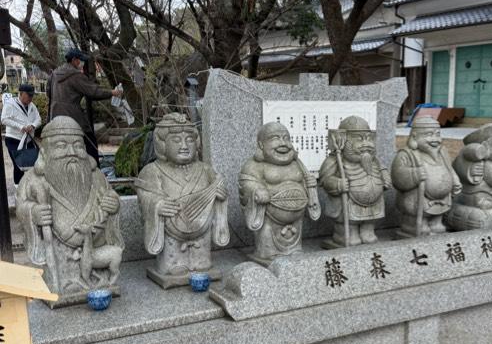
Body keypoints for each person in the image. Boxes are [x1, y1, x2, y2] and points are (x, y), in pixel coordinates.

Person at [16, 116, 123, 300]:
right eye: (61, 146)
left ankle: (98, 278)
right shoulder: (32, 180)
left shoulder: (96, 176)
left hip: (94, 245)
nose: (71, 152)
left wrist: (112, 203)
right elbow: (21, 206)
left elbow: (109, 194)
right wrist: (33, 212)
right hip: (59, 252)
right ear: (45, 153)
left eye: (78, 146)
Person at [135, 113, 229, 288]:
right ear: (162, 144)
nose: (185, 146)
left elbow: (218, 190)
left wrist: (220, 199)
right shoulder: (152, 171)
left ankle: (200, 262)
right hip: (172, 233)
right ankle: (175, 264)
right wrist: (157, 205)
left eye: (190, 140)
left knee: (203, 264)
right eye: (176, 140)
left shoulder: (206, 170)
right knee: (173, 266)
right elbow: (145, 196)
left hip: (201, 229)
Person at [239, 121, 321, 263]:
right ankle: (267, 253)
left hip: (296, 217)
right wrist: (257, 190)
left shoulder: (297, 164)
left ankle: (293, 249)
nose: (283, 143)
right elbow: (247, 182)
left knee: (295, 250)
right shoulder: (254, 165)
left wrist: (310, 186)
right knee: (268, 245)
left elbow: (305, 182)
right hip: (269, 218)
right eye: (275, 138)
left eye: (286, 138)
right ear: (261, 145)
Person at [319, 115, 392, 246]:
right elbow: (324, 179)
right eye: (359, 139)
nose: (366, 144)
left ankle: (367, 232)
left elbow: (383, 170)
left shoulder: (374, 160)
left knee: (369, 234)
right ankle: (343, 234)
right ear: (343, 139)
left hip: (373, 202)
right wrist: (337, 184)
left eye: (368, 139)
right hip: (347, 204)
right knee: (352, 238)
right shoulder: (335, 160)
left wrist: (385, 178)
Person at [47, 47, 122, 162]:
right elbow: (93, 92)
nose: (81, 63)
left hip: (55, 117)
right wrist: (112, 92)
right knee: (90, 144)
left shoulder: (54, 74)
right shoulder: (75, 75)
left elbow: (49, 93)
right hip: (73, 118)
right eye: (80, 60)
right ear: (74, 60)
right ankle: (93, 171)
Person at [391, 116, 461, 235]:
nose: (435, 139)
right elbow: (397, 176)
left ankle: (436, 224)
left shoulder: (442, 153)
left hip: (442, 199)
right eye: (429, 134)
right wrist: (414, 174)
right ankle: (413, 225)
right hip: (417, 200)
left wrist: (454, 179)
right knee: (421, 226)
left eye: (438, 134)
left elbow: (449, 168)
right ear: (414, 137)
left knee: (438, 226)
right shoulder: (406, 155)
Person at [1, 82, 41, 184]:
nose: (31, 98)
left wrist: (32, 126)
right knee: (19, 166)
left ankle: (29, 187)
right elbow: (4, 119)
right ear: (21, 93)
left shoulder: (32, 106)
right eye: (29, 95)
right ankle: (18, 188)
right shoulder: (10, 104)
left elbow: (38, 119)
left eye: (32, 95)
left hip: (28, 140)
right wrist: (20, 127)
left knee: (31, 165)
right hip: (14, 140)